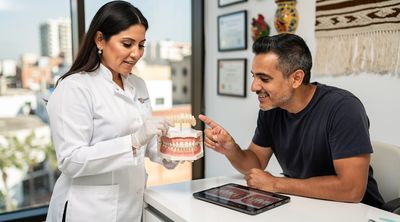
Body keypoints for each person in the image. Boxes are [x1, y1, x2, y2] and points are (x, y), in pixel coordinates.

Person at [199, 33, 384, 208]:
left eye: (264, 78)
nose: (254, 86)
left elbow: (351, 189)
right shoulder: (271, 108)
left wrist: (276, 183)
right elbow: (255, 164)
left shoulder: (344, 108)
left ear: (296, 78)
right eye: (254, 76)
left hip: (358, 212)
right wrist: (232, 149)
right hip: (305, 206)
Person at [45, 1, 176, 221]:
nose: (136, 54)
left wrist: (175, 150)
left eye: (141, 45)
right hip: (88, 211)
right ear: (100, 40)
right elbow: (71, 160)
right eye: (127, 44)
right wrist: (133, 141)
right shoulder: (75, 87)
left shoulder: (138, 84)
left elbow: (149, 145)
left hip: (131, 206)